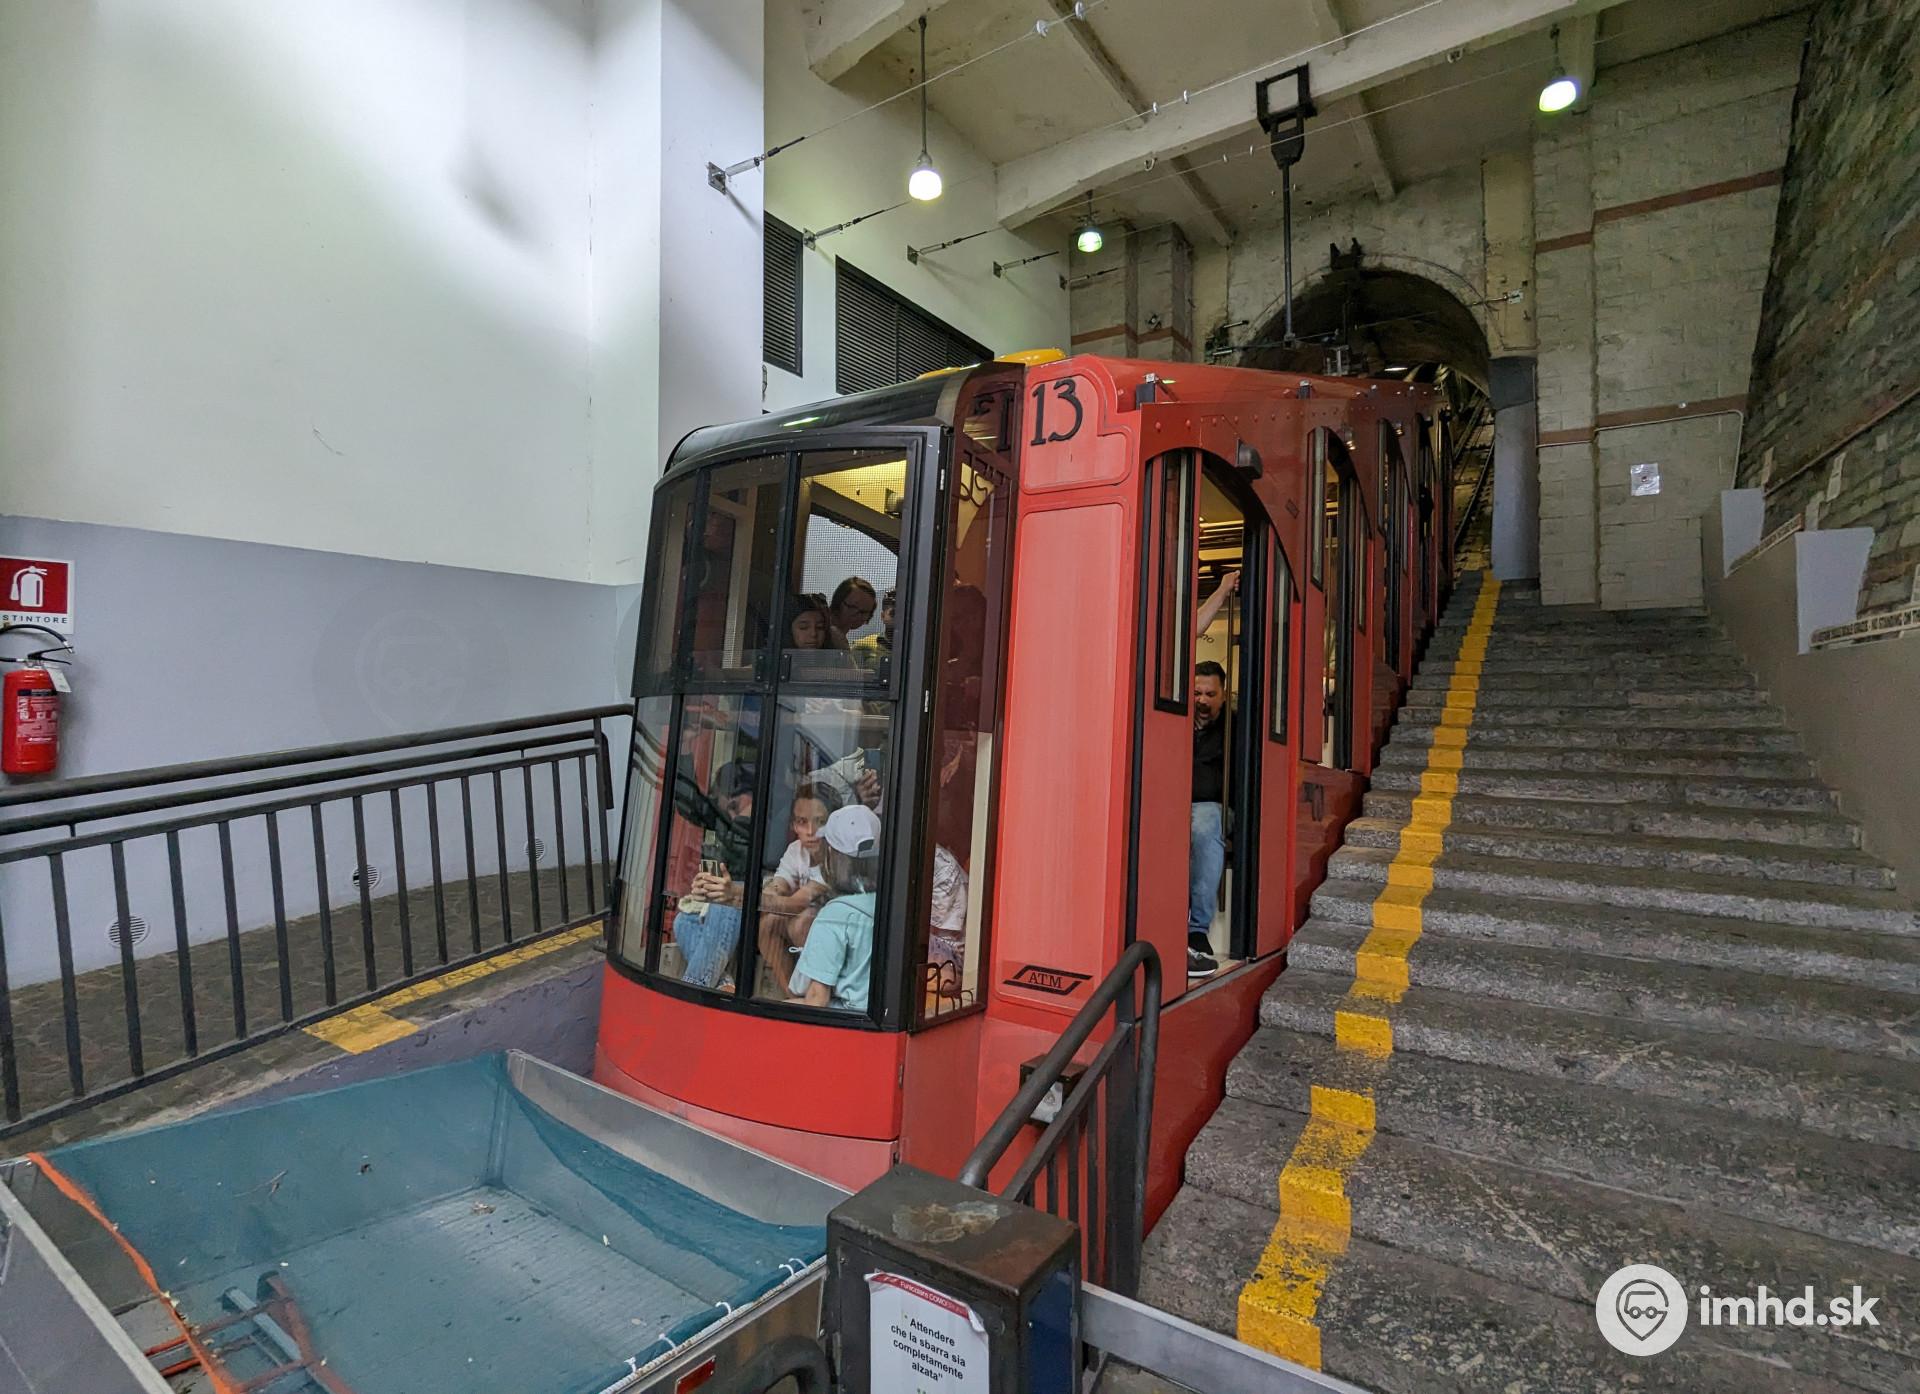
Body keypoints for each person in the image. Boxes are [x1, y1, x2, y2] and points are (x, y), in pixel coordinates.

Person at [670, 760, 755, 989]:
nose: (729, 812)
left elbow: (740, 857)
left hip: (754, 899)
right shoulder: (723, 821)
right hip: (725, 896)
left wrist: (744, 816)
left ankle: (695, 986)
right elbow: (691, 805)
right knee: (683, 921)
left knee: (721, 904)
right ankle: (723, 985)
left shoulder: (765, 824)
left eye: (734, 805)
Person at [789, 804, 882, 1012]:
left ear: (831, 853)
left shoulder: (835, 916)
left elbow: (817, 999)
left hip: (845, 1018)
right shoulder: (889, 904)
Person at [757, 781, 842, 995]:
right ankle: (792, 997)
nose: (811, 831)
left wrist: (739, 895)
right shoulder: (796, 850)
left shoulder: (837, 855)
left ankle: (819, 995)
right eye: (802, 822)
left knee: (803, 922)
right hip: (812, 927)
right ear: (794, 826)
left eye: (820, 822)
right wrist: (770, 893)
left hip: (841, 930)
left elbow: (796, 904)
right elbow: (779, 886)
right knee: (768, 925)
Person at [1189, 634, 1235, 979]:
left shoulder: (1234, 728)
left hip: (1214, 808)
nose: (1202, 700)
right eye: (1196, 693)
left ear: (1223, 695)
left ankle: (1196, 929)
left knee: (1204, 826)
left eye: (1210, 694)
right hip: (1173, 805)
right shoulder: (1175, 721)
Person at [851, 587, 896, 670]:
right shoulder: (863, 646)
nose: (898, 618)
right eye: (893, 614)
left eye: (903, 614)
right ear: (883, 616)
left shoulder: (913, 648)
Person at [827, 577, 879, 647]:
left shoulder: (839, 638)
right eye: (852, 607)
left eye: (864, 612)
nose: (857, 615)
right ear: (838, 602)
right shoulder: (822, 633)